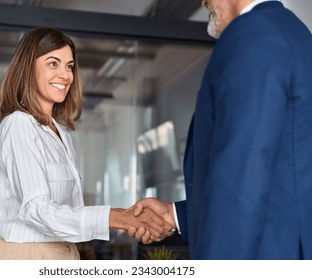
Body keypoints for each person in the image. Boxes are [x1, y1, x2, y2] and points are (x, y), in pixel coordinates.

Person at [131, 0, 312, 259]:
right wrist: (176, 215)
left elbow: (242, 174)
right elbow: (280, 177)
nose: (204, 1)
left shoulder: (252, 35)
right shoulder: (294, 33)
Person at [0, 27, 173, 260]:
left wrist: (126, 218)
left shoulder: (61, 134)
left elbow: (70, 212)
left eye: (69, 66)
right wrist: (119, 217)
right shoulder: (19, 125)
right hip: (26, 254)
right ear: (28, 68)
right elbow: (37, 210)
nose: (65, 75)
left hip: (64, 252)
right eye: (53, 63)